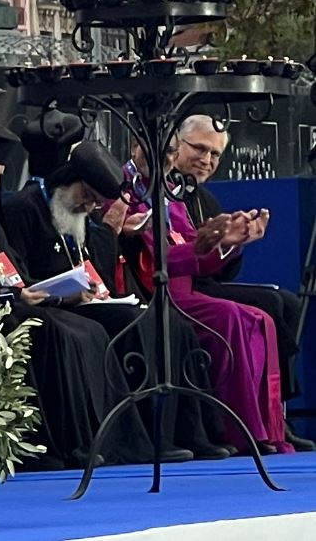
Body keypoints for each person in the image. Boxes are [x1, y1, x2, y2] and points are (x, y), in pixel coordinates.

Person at [0, 112, 156, 467]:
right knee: (64, 331)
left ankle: (115, 440)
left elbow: (13, 267)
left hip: (19, 299)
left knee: (104, 327)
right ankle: (65, 444)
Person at [0, 141, 222, 462]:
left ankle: (181, 434)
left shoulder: (74, 215)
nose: (88, 207)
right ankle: (125, 442)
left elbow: (95, 265)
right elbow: (18, 271)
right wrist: (62, 293)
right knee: (118, 326)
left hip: (84, 302)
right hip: (48, 304)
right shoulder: (25, 208)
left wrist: (106, 234)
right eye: (87, 196)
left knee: (168, 323)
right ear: (67, 180)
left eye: (94, 201)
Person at [124, 135, 291, 454]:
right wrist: (205, 246)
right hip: (153, 292)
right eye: (158, 151)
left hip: (186, 292)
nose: (167, 159)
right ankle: (235, 432)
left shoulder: (172, 195)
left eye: (171, 152)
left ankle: (264, 430)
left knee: (260, 319)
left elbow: (197, 257)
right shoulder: (124, 190)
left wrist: (229, 242)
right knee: (231, 316)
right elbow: (155, 258)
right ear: (135, 146)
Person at [174, 114, 312, 450]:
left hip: (202, 281)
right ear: (176, 144)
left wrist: (237, 243)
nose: (207, 160)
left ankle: (276, 415)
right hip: (175, 285)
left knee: (287, 302)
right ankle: (258, 419)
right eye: (200, 149)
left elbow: (222, 273)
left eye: (215, 154)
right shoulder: (162, 192)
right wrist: (221, 244)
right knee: (267, 305)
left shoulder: (204, 199)